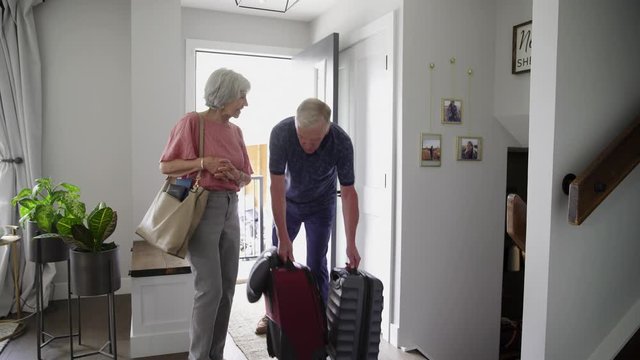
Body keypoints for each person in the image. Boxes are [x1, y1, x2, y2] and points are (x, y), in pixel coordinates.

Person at [159, 68, 253, 360]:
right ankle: (198, 357)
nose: (244, 104)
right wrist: (204, 163)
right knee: (209, 289)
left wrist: (235, 173)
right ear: (224, 96)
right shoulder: (192, 122)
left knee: (226, 290)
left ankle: (216, 355)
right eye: (241, 97)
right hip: (202, 207)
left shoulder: (235, 131)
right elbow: (166, 166)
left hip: (231, 207)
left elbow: (247, 176)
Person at [255, 98, 361, 335]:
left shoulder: (341, 142)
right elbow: (276, 187)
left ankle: (319, 317)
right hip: (288, 204)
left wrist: (352, 243)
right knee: (277, 261)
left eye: (314, 140)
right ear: (295, 126)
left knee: (316, 262)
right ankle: (271, 315)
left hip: (321, 206)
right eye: (303, 138)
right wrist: (283, 236)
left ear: (327, 129)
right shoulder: (281, 133)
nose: (307, 145)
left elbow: (348, 193)